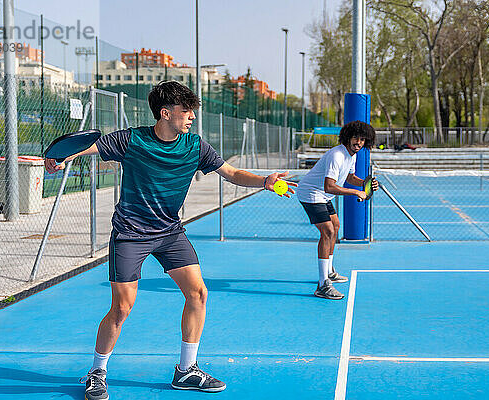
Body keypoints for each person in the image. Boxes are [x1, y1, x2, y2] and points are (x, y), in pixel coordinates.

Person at [44, 81, 296, 399]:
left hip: (170, 233)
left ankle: (185, 371)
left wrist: (264, 181)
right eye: (185, 110)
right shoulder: (132, 139)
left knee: (198, 294)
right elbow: (87, 149)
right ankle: (97, 371)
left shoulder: (195, 146)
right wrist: (60, 158)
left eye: (192, 110)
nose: (191, 116)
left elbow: (231, 173)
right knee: (122, 308)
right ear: (166, 113)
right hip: (131, 234)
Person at [295, 121, 378, 300]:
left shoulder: (351, 155)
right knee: (328, 231)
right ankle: (323, 284)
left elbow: (349, 177)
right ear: (347, 137)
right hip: (311, 193)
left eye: (363, 139)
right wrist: (357, 191)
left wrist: (365, 184)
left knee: (336, 226)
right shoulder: (337, 155)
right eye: (356, 138)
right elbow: (329, 186)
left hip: (323, 196)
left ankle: (329, 270)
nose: (359, 142)